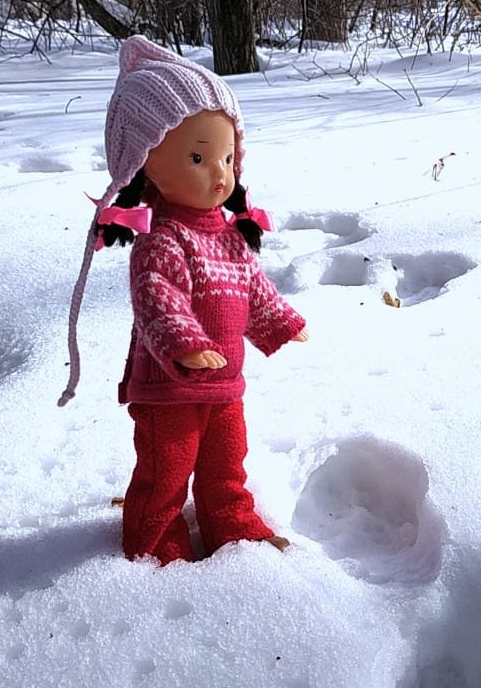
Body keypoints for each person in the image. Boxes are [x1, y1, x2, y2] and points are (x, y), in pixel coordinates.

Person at [59, 35, 308, 565]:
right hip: (168, 386)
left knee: (226, 466)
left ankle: (232, 524)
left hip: (225, 385)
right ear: (146, 165)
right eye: (198, 157)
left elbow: (252, 287)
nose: (220, 173)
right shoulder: (162, 240)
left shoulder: (230, 234)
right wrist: (185, 344)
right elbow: (158, 300)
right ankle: (154, 543)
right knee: (165, 470)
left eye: (225, 157)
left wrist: (281, 321)